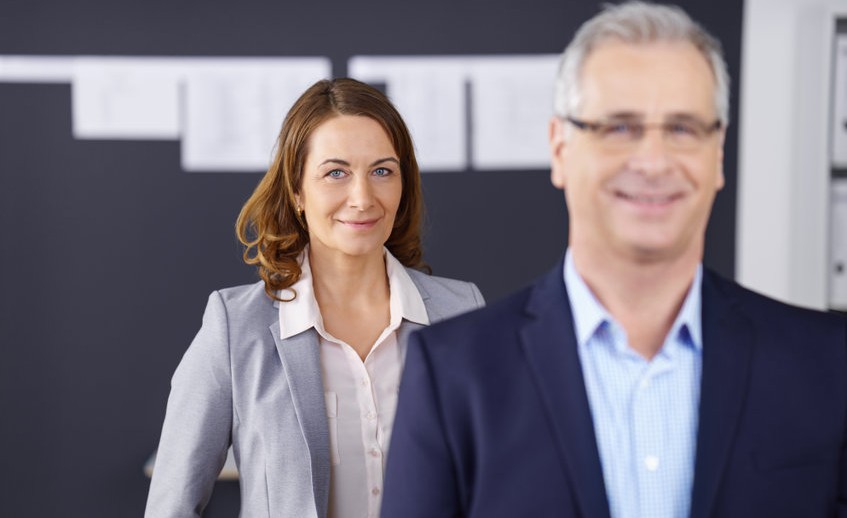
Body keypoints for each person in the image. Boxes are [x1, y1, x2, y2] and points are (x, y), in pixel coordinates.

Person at [380, 2, 847, 518]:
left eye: (683, 128)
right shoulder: (453, 374)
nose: (652, 161)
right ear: (560, 148)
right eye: (619, 128)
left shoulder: (826, 365)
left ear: (717, 154)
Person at [144, 78, 484, 518]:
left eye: (382, 170)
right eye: (335, 173)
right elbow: (171, 506)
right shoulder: (235, 328)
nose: (362, 198)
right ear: (298, 191)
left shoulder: (462, 313)